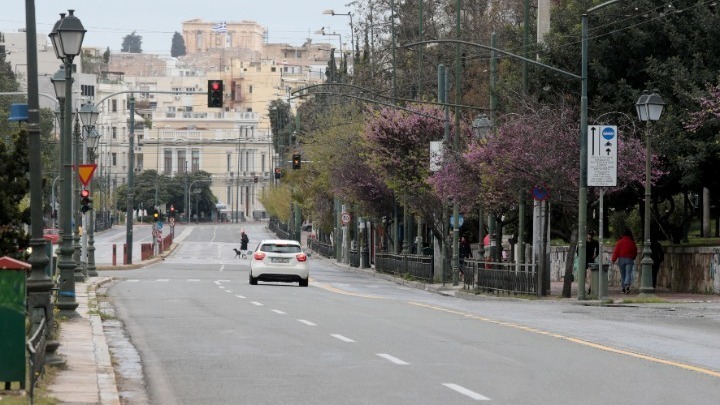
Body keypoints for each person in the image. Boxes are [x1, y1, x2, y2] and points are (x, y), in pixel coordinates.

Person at [612, 229, 638, 294]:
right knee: (628, 273)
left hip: (621, 259)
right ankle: (627, 286)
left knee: (622, 274)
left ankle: (623, 288)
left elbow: (616, 251)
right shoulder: (632, 242)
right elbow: (635, 251)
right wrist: (633, 257)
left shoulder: (620, 242)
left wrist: (613, 260)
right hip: (629, 259)